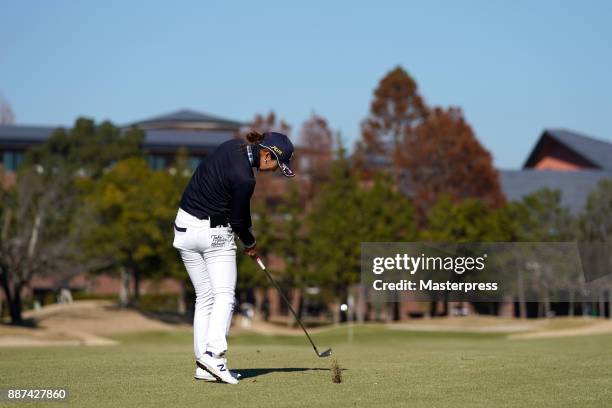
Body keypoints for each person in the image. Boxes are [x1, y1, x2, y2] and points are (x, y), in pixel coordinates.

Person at [172, 131, 295, 384]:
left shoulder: (231, 146)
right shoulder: (245, 179)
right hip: (211, 233)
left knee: (204, 296)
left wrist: (244, 234)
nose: (274, 170)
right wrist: (250, 243)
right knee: (225, 295)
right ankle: (214, 355)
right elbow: (238, 221)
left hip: (183, 229)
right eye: (276, 164)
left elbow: (234, 210)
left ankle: (203, 365)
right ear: (266, 154)